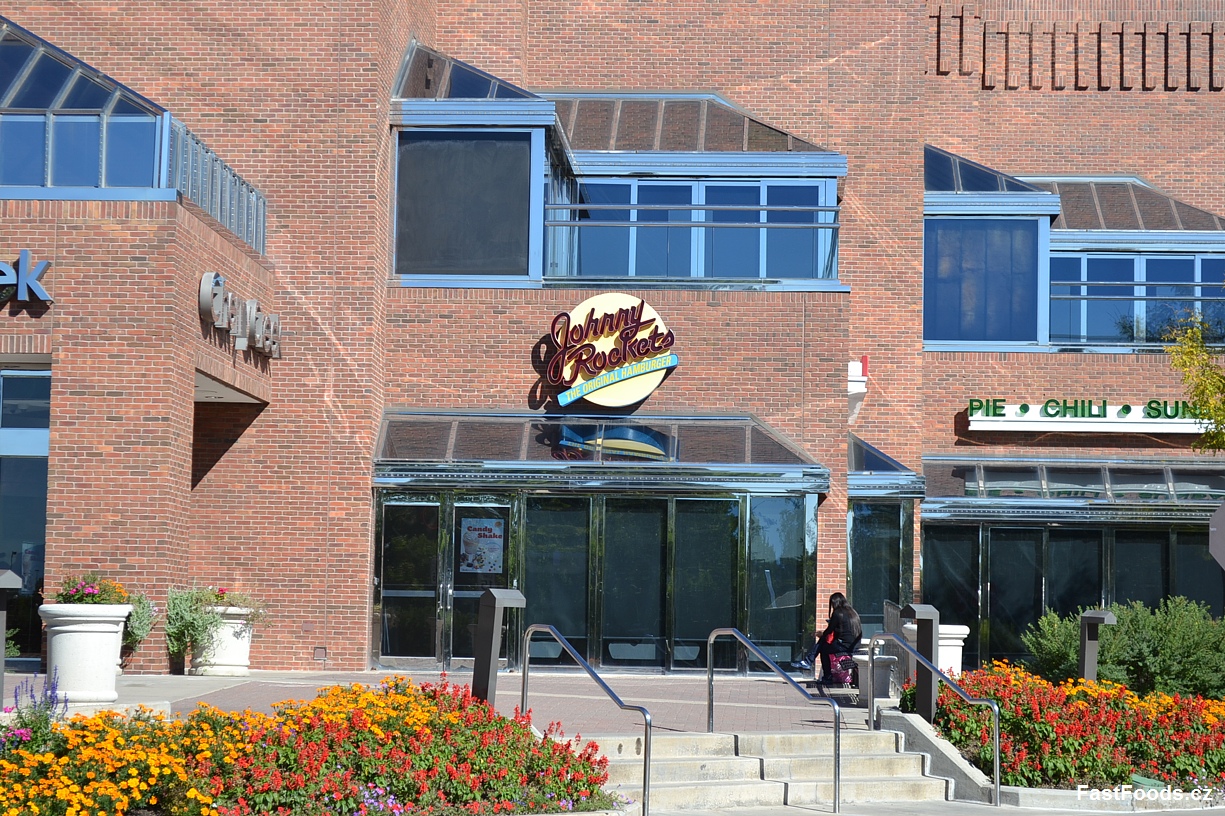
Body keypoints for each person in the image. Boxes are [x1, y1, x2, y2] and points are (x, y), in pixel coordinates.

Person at [792, 592, 862, 684]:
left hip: (845, 646)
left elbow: (829, 630)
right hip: (855, 645)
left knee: (824, 648)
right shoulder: (853, 612)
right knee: (824, 641)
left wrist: (821, 634)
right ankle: (809, 661)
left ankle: (823, 674)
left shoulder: (838, 613)